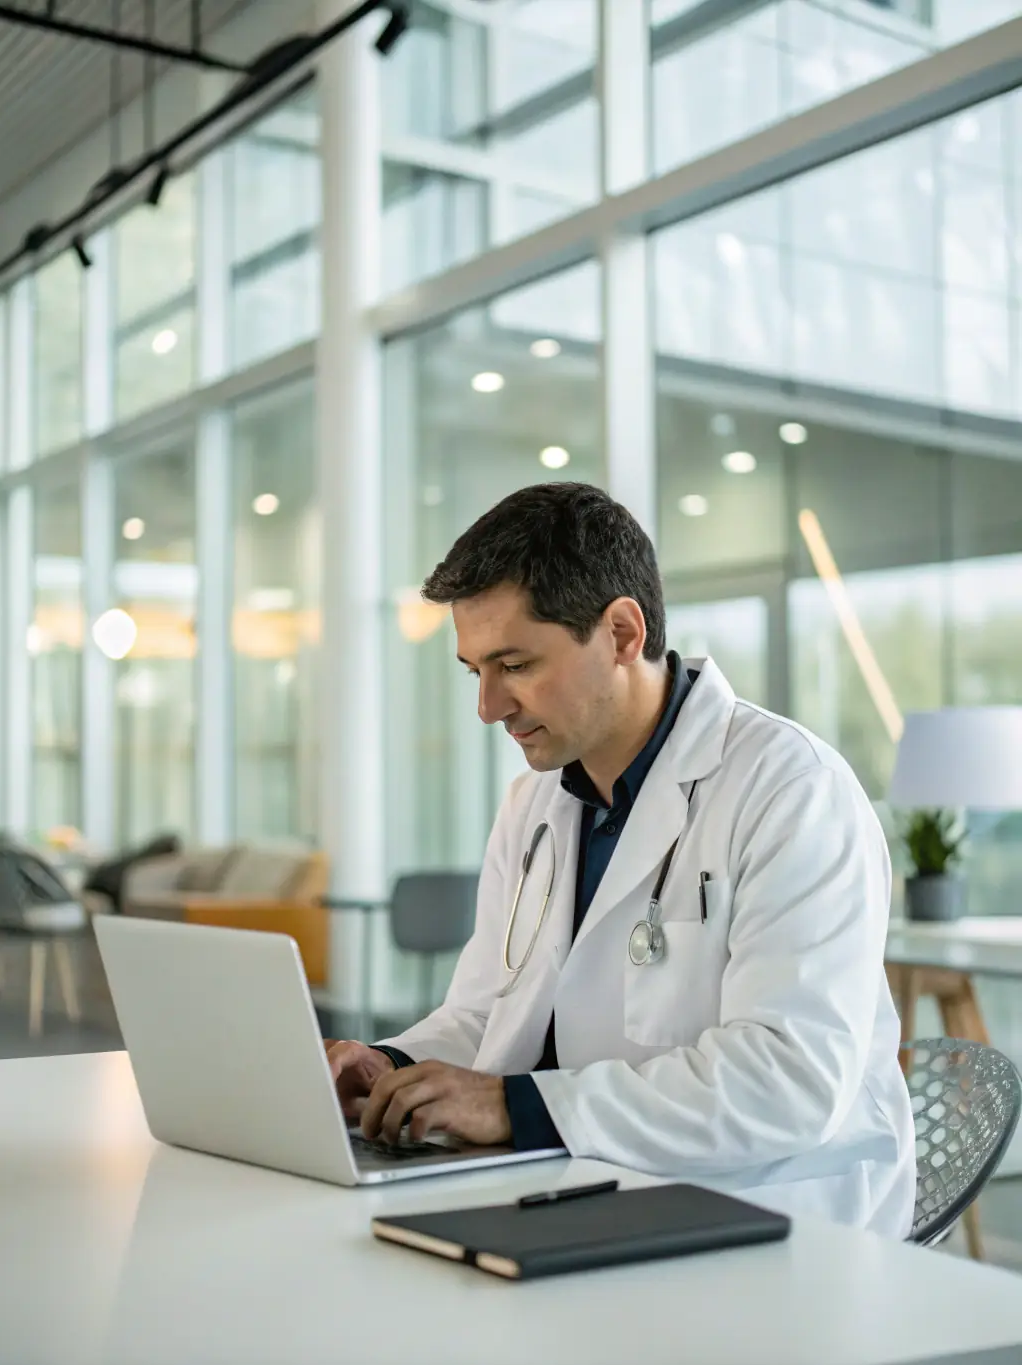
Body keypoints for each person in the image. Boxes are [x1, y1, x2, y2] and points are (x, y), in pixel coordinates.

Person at [325, 483, 915, 1235]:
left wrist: (519, 1107)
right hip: (582, 1191)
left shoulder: (793, 790)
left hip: (779, 1219)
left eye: (514, 663)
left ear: (623, 633)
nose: (489, 706)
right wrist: (391, 1068)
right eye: (476, 670)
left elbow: (789, 1079)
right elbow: (487, 1013)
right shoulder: (533, 806)